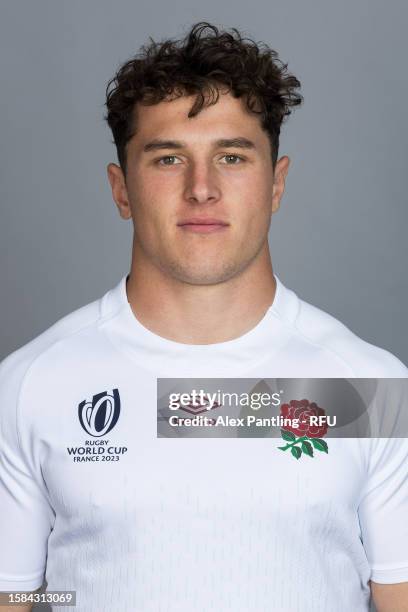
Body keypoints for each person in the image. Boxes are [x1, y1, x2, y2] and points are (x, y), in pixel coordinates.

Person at [0, 21, 407, 612]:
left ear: (276, 184)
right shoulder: (29, 385)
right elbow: (16, 595)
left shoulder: (369, 389)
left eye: (233, 156)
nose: (201, 188)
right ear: (121, 190)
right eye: (168, 158)